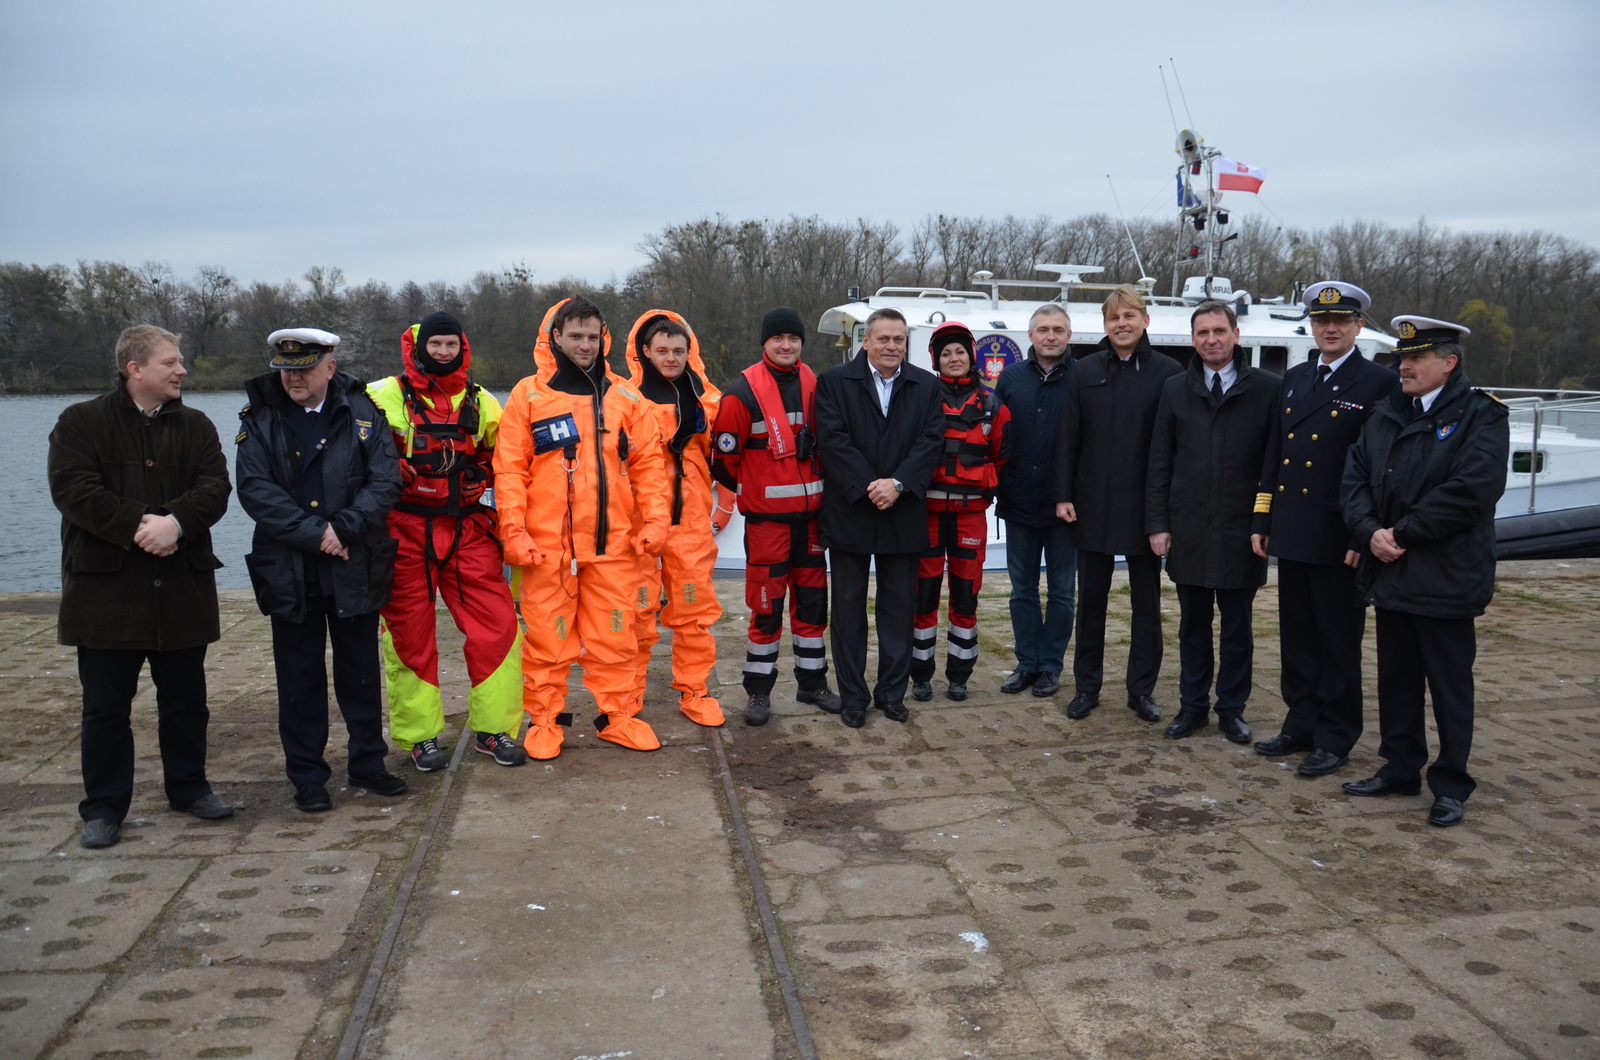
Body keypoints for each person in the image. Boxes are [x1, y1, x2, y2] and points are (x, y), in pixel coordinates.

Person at [48, 324, 234, 849]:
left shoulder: (196, 425)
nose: (182, 370)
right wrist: (139, 526)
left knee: (186, 703)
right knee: (105, 710)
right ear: (135, 369)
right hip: (106, 597)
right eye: (170, 362)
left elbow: (216, 487)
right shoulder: (79, 422)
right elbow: (73, 490)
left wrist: (176, 523)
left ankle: (189, 789)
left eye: (180, 362)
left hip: (181, 590)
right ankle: (104, 808)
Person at [1340, 315, 1508, 827]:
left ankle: (1451, 784)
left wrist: (1401, 534)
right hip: (1391, 572)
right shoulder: (1387, 412)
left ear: (1448, 362)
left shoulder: (1481, 415)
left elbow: (1471, 491)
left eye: (1416, 358)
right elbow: (1355, 479)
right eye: (1401, 358)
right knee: (1397, 680)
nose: (1403, 366)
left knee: (1449, 686)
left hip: (1446, 576)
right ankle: (1400, 766)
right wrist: (1369, 531)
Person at [236, 329, 407, 811]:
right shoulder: (260, 418)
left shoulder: (364, 412)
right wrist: (318, 534)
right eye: (285, 370)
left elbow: (385, 481)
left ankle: (368, 763)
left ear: (329, 368)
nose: (293, 379)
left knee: (360, 673)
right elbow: (255, 490)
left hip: (353, 563)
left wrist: (344, 528)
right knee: (299, 678)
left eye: (304, 369)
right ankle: (308, 775)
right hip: (291, 568)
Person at [494, 296, 671, 759]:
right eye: (576, 336)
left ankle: (619, 717)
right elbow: (510, 471)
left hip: (613, 547)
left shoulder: (626, 398)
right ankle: (545, 720)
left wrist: (656, 521)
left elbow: (651, 468)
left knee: (617, 638)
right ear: (556, 337)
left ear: (603, 339)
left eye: (593, 337)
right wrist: (513, 530)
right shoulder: (529, 396)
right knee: (547, 641)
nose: (585, 345)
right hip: (547, 550)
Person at [1251, 281, 1398, 777]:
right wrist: (1263, 517)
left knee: (1337, 643)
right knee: (1297, 638)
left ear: (1357, 326)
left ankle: (1335, 736)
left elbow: (1379, 469)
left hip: (1339, 536)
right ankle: (1301, 723)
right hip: (1293, 529)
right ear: (1312, 326)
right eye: (1321, 321)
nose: (1330, 329)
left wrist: (1363, 534)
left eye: (1340, 321)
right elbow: (1275, 453)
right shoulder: (1294, 378)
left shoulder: (1376, 383)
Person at [369, 312, 527, 772]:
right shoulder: (381, 396)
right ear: (418, 348)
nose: (443, 352)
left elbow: (510, 458)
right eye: (435, 344)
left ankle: (494, 730)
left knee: (499, 626)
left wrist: (483, 472)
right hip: (403, 530)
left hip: (467, 529)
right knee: (409, 636)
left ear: (463, 348)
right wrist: (386, 467)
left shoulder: (483, 402)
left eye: (451, 345)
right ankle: (420, 737)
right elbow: (353, 451)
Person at [1145, 302, 1278, 743]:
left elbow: (1274, 463)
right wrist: (1158, 523)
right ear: (1192, 339)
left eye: (1219, 331)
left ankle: (1232, 709)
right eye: (1202, 333)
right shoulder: (1174, 390)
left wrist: (1265, 520)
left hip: (1243, 530)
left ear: (1236, 335)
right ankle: (1193, 707)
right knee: (1193, 626)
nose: (1211, 340)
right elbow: (1160, 462)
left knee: (1238, 627)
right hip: (1189, 528)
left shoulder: (1267, 389)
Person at [1054, 285, 1183, 722]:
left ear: (1146, 320)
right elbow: (1068, 437)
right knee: (1090, 605)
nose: (1122, 324)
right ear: (1105, 325)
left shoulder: (1169, 373)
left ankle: (1141, 691)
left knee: (1146, 607)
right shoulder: (1085, 371)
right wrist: (1063, 494)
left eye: (1129, 316)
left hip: (1146, 511)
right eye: (1114, 318)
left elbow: (1173, 447)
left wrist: (1164, 513)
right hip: (1092, 506)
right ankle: (1086, 688)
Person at [814, 308, 946, 727]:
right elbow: (832, 439)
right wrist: (870, 485)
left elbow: (931, 441)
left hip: (902, 511)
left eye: (899, 339)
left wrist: (898, 484)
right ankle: (854, 696)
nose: (892, 346)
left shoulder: (926, 385)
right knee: (848, 609)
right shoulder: (834, 382)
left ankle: (892, 694)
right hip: (851, 509)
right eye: (884, 338)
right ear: (866, 341)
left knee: (898, 609)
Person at [710, 307, 842, 726]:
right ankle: (758, 690)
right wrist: (757, 488)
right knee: (766, 608)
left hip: (812, 521)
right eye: (778, 339)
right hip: (767, 524)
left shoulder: (816, 384)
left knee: (813, 607)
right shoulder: (741, 393)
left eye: (794, 339)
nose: (787, 346)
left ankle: (812, 684)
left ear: (802, 343)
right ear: (764, 343)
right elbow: (724, 461)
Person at [623, 309, 725, 728]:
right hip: (639, 520)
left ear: (689, 352)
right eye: (662, 350)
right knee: (636, 610)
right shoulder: (623, 399)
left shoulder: (707, 399)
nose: (670, 358)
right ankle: (627, 694)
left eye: (678, 351)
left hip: (691, 520)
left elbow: (725, 453)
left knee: (694, 610)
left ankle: (695, 689)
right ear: (645, 351)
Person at [910, 322, 1011, 702]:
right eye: (946, 353)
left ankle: (959, 676)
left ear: (972, 356)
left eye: (960, 352)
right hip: (927, 516)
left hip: (970, 517)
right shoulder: (921, 401)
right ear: (936, 360)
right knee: (923, 597)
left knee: (966, 597)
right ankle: (920, 676)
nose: (954, 358)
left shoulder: (993, 405)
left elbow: (1003, 455)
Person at [994, 305, 1077, 698]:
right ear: (1030, 336)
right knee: (1022, 590)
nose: (1050, 336)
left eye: (1058, 329)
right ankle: (1026, 663)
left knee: (1061, 592)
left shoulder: (1083, 377)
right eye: (1043, 329)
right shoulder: (1010, 378)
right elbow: (998, 435)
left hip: (1066, 507)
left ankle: (1050, 667)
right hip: (1019, 502)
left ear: (1069, 336)